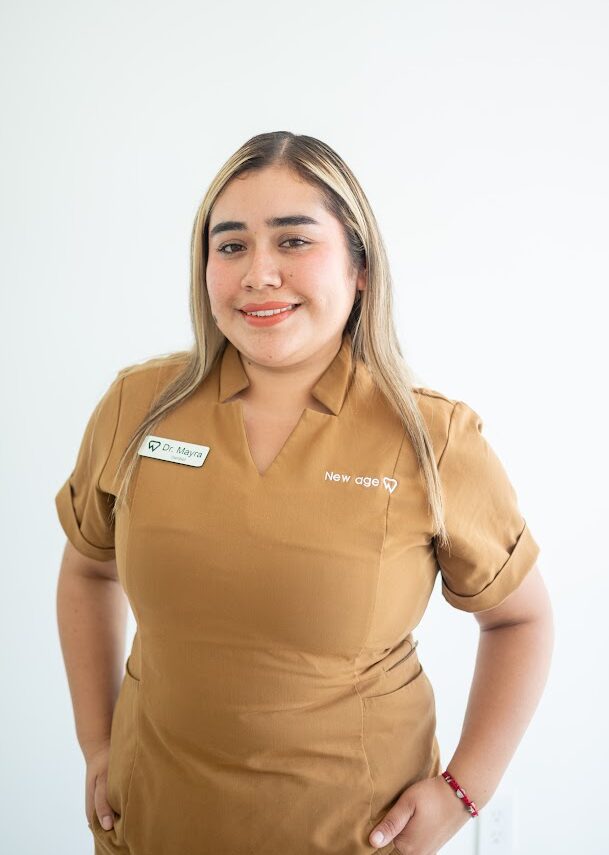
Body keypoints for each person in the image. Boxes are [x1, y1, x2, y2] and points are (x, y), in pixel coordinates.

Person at [54, 131, 554, 855]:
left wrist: (462, 790)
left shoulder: (430, 436)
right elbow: (87, 567)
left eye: (292, 241)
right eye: (230, 246)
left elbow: (520, 621)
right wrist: (95, 741)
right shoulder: (139, 406)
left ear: (359, 266)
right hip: (152, 826)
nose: (258, 273)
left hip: (349, 836)